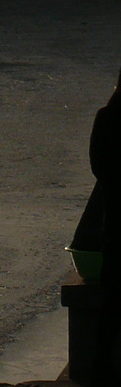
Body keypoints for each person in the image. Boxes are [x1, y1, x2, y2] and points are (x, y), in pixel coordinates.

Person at [92, 68, 121, 384]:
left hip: (114, 220)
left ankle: (101, 363)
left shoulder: (106, 116)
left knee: (113, 296)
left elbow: (97, 165)